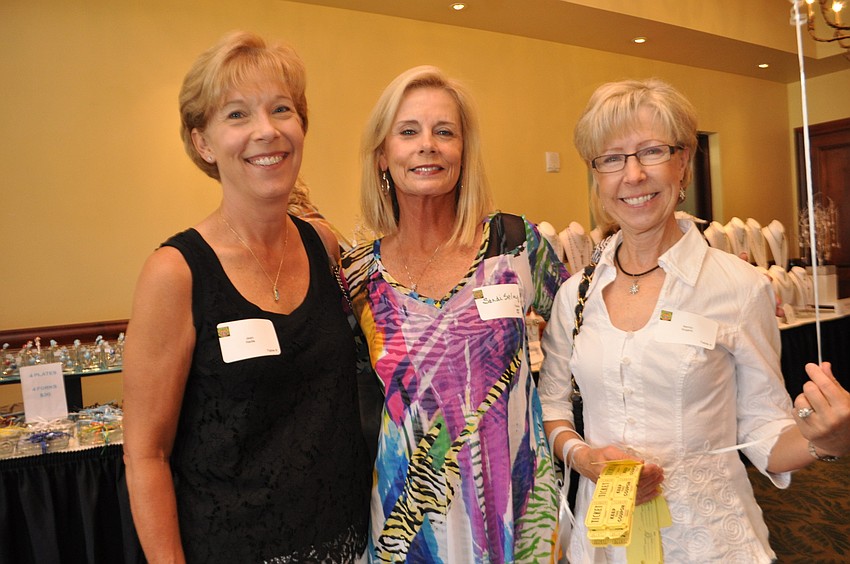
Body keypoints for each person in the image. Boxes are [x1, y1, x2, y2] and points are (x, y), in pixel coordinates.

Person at [538, 77, 850, 562]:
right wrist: (582, 457)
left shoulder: (739, 287)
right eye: (612, 158)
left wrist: (823, 441)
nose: (633, 175)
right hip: (606, 542)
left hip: (711, 540)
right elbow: (553, 406)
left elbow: (766, 435)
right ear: (596, 174)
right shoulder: (575, 295)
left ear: (683, 162)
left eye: (651, 151)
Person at [122, 31, 370, 563]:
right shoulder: (176, 273)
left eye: (281, 109)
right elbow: (146, 455)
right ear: (203, 143)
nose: (266, 131)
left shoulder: (323, 245)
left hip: (348, 541)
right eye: (237, 115)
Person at [340, 65, 569, 563]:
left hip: (519, 513)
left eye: (444, 132)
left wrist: (564, 429)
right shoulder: (358, 276)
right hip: (409, 527)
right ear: (382, 155)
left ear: (464, 152)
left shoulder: (516, 245)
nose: (428, 145)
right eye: (408, 132)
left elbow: (583, 338)